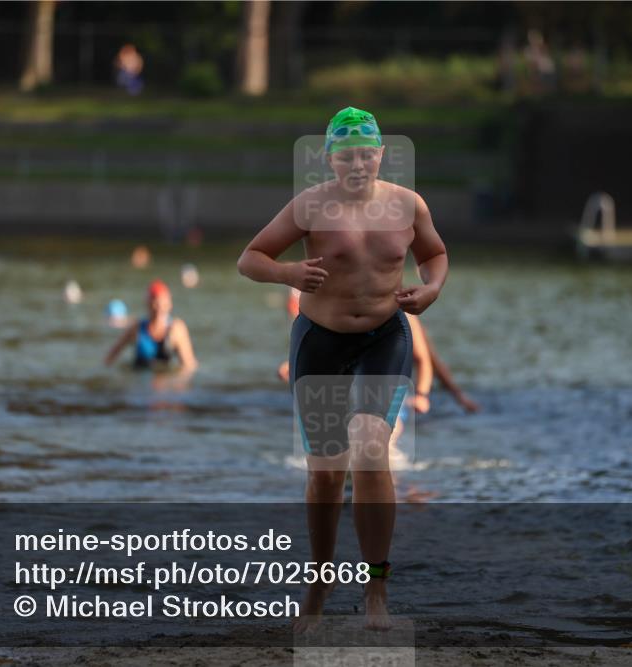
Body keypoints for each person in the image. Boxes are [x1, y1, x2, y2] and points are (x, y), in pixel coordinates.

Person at [237, 107, 448, 631]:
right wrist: (286, 270)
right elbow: (250, 258)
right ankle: (320, 578)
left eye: (366, 154)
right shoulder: (310, 205)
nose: (357, 164)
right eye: (346, 155)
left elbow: (436, 255)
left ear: (381, 154)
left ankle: (376, 588)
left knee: (374, 452)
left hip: (384, 337)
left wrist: (432, 288)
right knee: (327, 475)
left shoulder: (408, 205)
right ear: (329, 158)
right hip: (320, 341)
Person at [278, 289, 479, 414]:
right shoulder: (334, 314)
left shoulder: (401, 313)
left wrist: (422, 394)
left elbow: (426, 360)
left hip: (390, 388)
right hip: (355, 388)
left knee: (383, 449)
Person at [104, 280, 198, 373]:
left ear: (169, 305)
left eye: (162, 304)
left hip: (166, 382)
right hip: (140, 380)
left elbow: (189, 366)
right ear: (148, 304)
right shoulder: (136, 328)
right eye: (155, 304)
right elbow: (110, 358)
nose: (158, 309)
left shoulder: (176, 329)